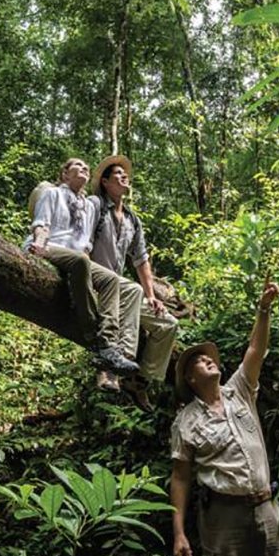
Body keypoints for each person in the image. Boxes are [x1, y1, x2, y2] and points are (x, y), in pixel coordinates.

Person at [170, 280, 279, 556]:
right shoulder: (185, 422)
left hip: (266, 507)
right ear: (191, 379)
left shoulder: (240, 392)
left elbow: (255, 350)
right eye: (200, 362)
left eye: (209, 358)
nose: (208, 360)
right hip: (223, 516)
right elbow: (180, 478)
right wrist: (178, 532)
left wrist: (263, 309)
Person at [26, 157, 138, 377]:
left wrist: (90, 278)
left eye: (87, 167)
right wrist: (39, 242)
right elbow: (41, 223)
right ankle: (91, 336)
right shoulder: (53, 193)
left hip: (75, 256)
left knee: (111, 279)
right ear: (65, 174)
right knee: (80, 261)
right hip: (50, 247)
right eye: (78, 166)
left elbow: (85, 243)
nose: (84, 168)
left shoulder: (88, 206)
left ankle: (108, 345)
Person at [87, 155, 178, 409]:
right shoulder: (94, 205)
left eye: (125, 173)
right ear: (105, 182)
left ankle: (138, 382)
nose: (124, 176)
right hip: (98, 285)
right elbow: (81, 242)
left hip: (124, 290)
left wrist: (152, 296)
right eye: (117, 173)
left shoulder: (131, 219)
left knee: (167, 324)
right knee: (132, 290)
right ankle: (117, 364)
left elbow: (141, 260)